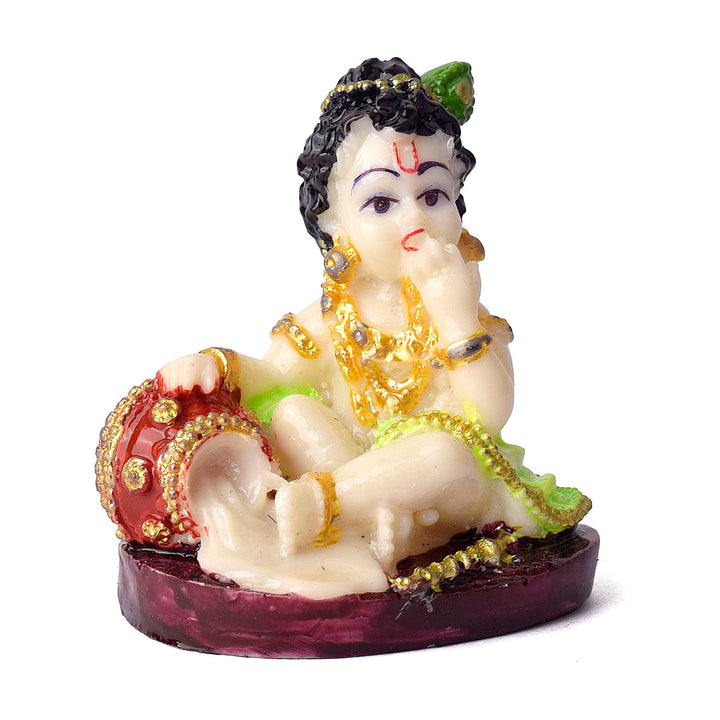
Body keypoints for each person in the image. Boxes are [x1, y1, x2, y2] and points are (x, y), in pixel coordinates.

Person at [157, 58, 590, 599]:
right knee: (291, 413)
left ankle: (322, 508)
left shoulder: (460, 307)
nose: (415, 219)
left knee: (445, 453)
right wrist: (216, 365)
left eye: (433, 196)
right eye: (382, 202)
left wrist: (454, 314)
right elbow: (274, 375)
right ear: (334, 223)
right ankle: (370, 520)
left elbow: (491, 412)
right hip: (355, 468)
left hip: (447, 484)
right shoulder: (334, 316)